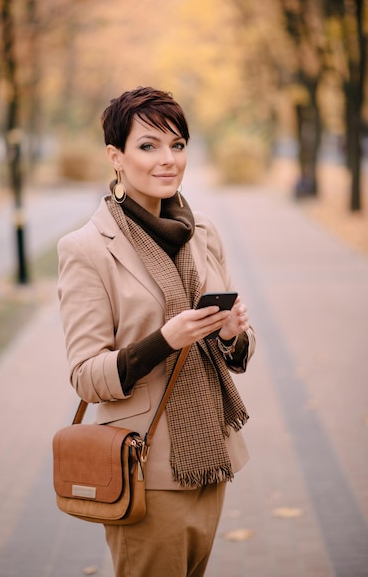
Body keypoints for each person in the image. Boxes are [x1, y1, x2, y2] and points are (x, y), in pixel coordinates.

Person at [57, 86, 256, 577]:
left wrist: (231, 334)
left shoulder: (202, 230)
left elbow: (236, 354)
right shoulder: (86, 248)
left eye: (178, 145)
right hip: (146, 466)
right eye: (148, 145)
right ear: (115, 157)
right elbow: (86, 376)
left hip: (212, 454)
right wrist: (166, 339)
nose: (168, 160)